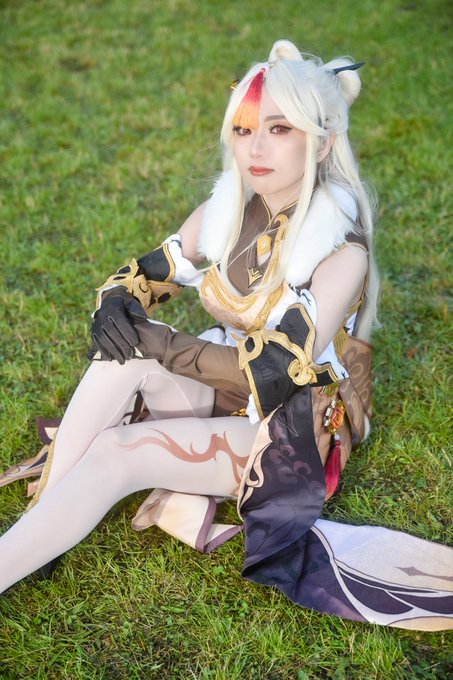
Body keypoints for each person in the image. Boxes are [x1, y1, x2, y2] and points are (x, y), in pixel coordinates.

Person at [0, 40, 451, 630]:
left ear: (323, 143)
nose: (255, 148)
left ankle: (24, 548)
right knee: (120, 358)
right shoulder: (226, 210)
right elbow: (142, 275)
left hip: (290, 429)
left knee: (117, 449)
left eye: (279, 129)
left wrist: (159, 343)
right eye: (243, 130)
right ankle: (41, 531)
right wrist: (113, 305)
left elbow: (275, 372)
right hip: (225, 382)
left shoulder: (342, 251)